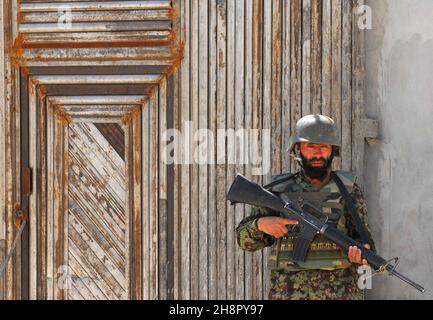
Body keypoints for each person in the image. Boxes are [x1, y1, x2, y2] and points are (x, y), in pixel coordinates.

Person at [236, 114, 375, 300]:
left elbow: (364, 239)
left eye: (323, 147)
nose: (317, 154)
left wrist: (362, 255)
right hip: (288, 293)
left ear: (332, 151)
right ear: (298, 149)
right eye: (311, 146)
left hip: (341, 292)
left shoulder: (348, 189)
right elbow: (243, 240)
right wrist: (261, 224)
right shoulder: (279, 189)